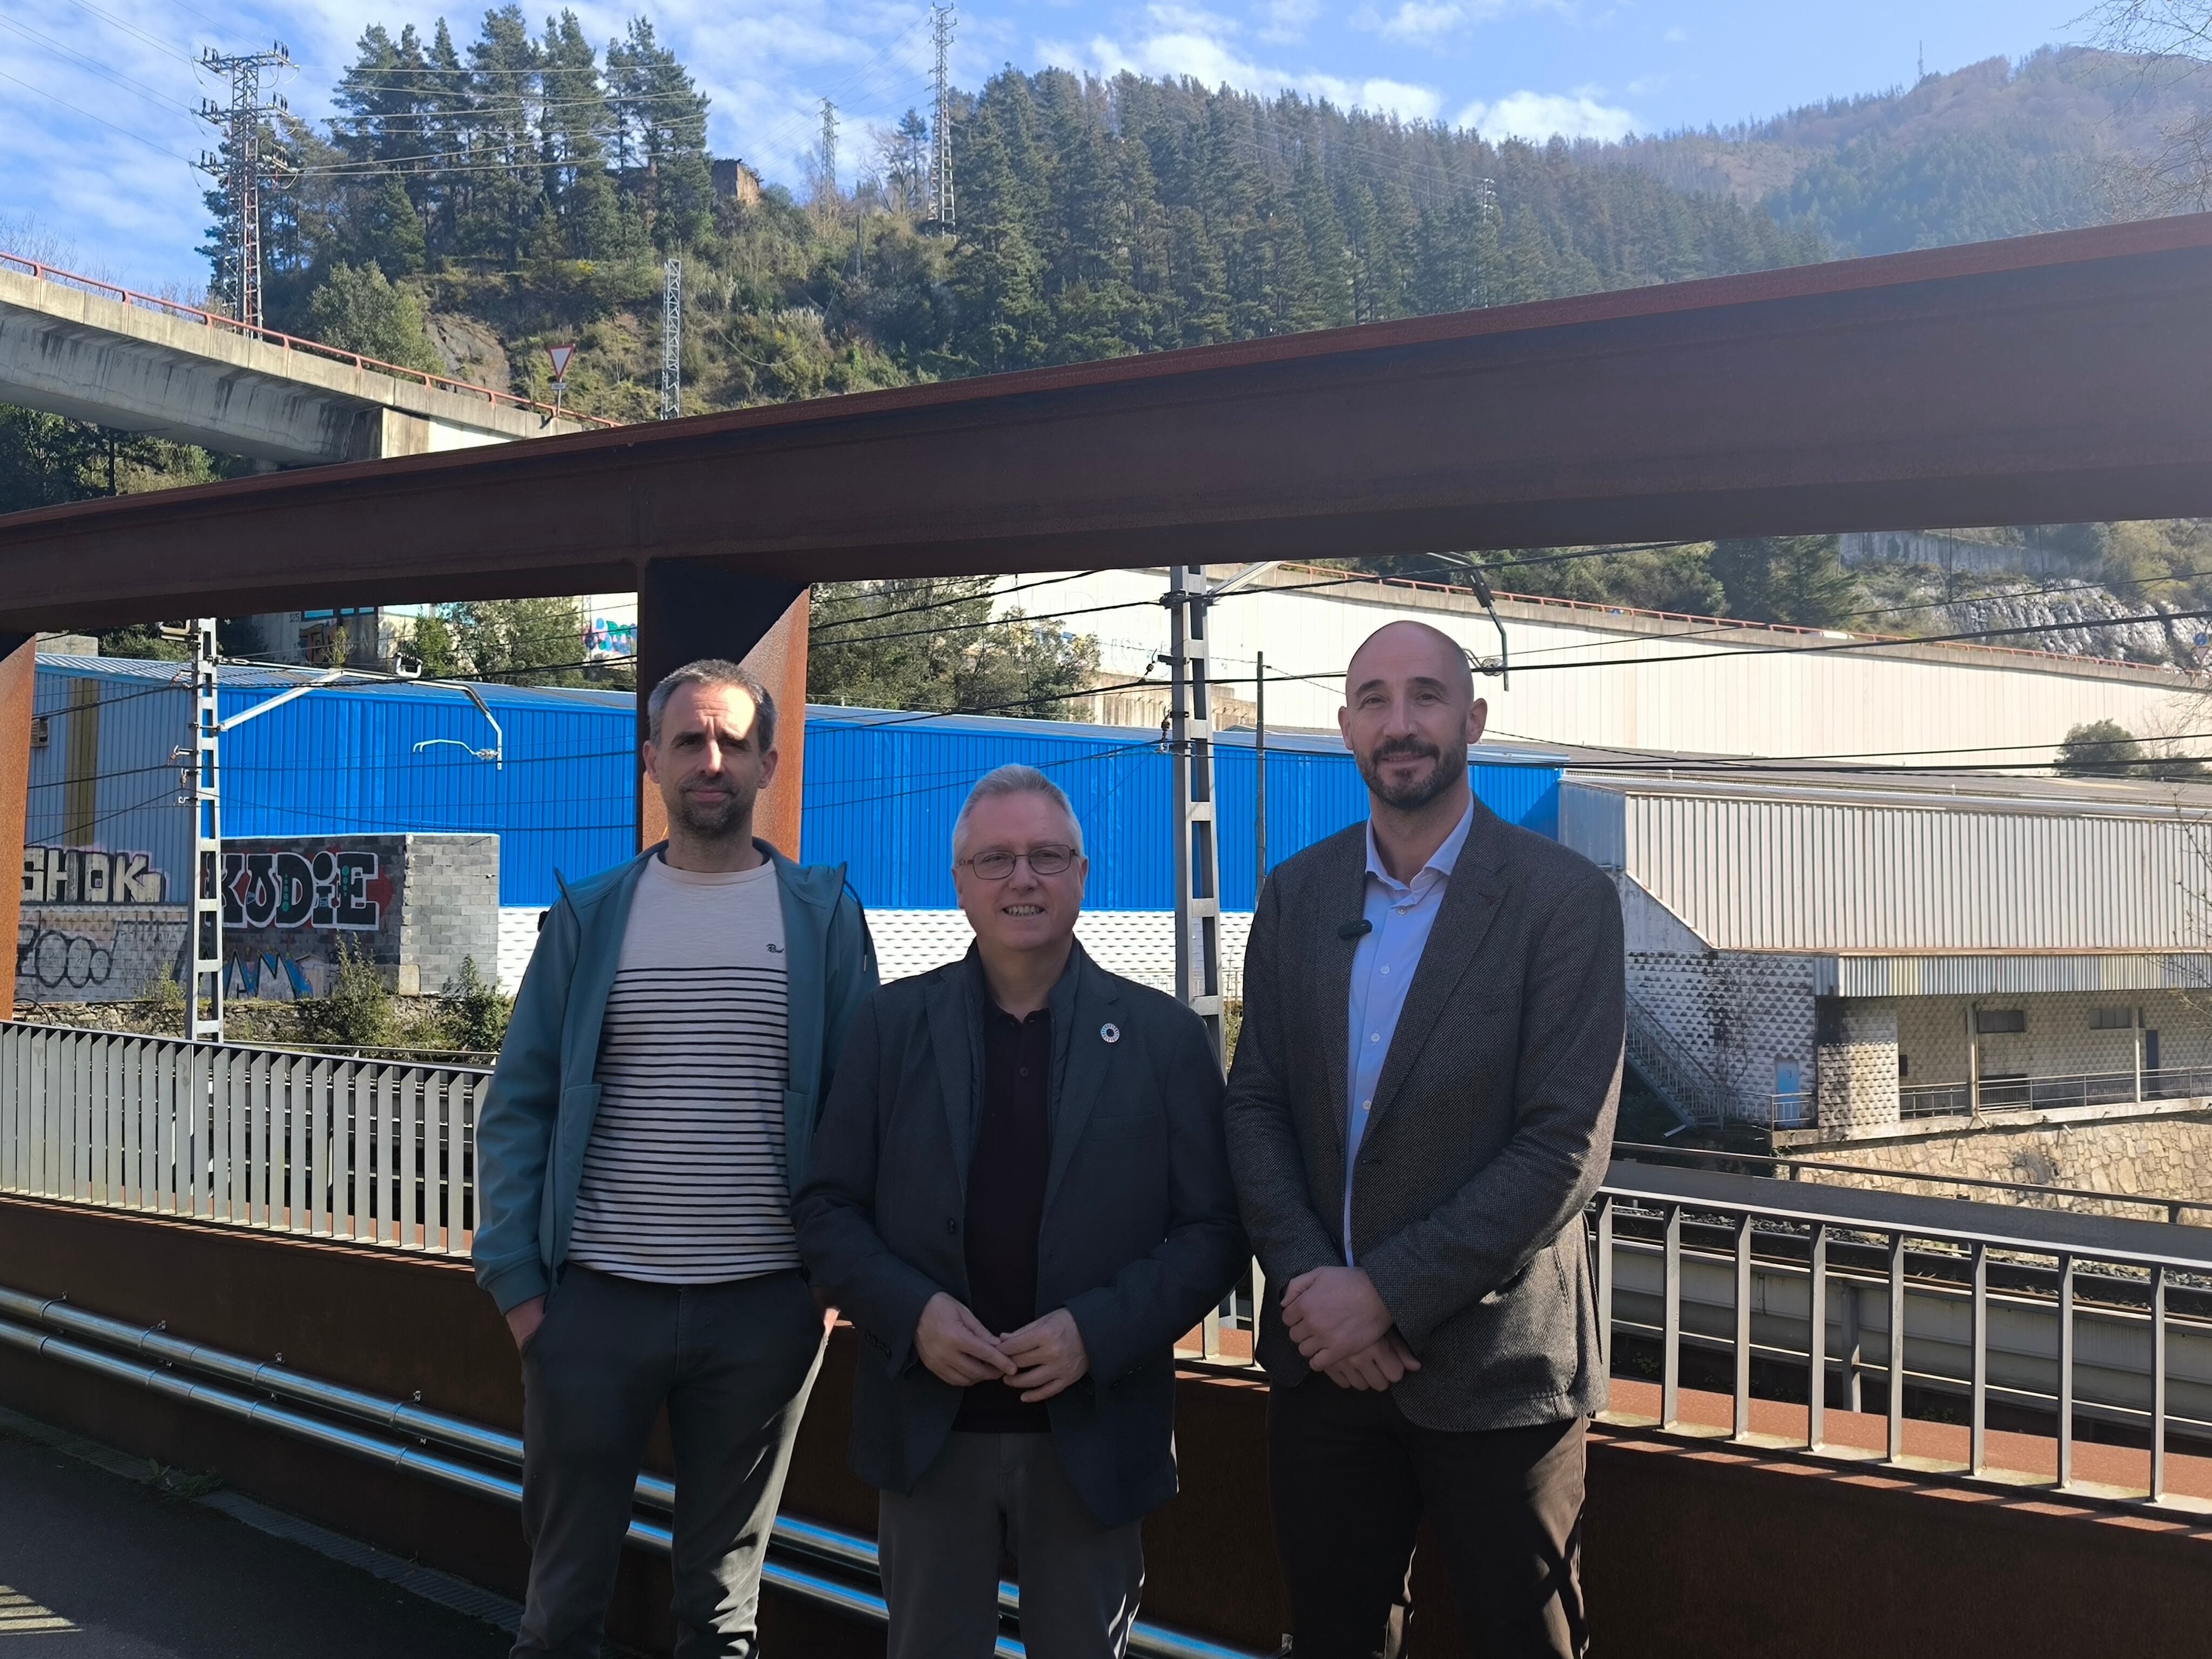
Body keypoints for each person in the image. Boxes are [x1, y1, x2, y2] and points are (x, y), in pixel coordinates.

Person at [1223, 619, 1623, 1659]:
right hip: (1324, 1370)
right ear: (1347, 727)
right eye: (1375, 700)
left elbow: (1562, 1148)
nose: (1399, 723)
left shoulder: (1562, 900)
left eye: (1426, 696)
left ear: (1473, 720)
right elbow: (1256, 1104)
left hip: (1499, 1374)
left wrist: (1386, 1294)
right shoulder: (1297, 893)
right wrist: (1318, 1290)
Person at [473, 658, 877, 1659]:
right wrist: (523, 1294)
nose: (712, 760)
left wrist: (827, 1290)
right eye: (690, 740)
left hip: (765, 1312)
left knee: (721, 1612)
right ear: (650, 758)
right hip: (594, 1307)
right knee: (560, 1609)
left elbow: (863, 1111)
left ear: (769, 764)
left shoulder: (823, 917)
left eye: (734, 742)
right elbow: (519, 1105)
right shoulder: (591, 915)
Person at [795, 765, 1244, 1659]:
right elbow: (826, 1210)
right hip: (930, 1434)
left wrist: (1096, 1332)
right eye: (995, 859)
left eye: (1047, 856)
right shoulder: (890, 1026)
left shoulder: (1161, 1037)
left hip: (1094, 1437)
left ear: (1083, 875)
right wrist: (913, 1315)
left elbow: (1216, 1233)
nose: (1022, 879)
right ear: (959, 884)